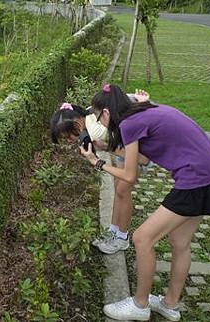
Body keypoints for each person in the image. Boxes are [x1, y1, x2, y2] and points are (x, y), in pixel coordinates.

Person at [82, 83, 210, 321]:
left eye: (98, 117)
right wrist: (105, 147)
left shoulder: (129, 123)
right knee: (180, 241)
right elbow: (143, 158)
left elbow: (131, 175)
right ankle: (170, 304)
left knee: (142, 238)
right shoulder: (144, 111)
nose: (100, 124)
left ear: (107, 112)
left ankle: (140, 305)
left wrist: (97, 162)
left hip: (196, 179)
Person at [51, 90, 152, 255]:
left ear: (77, 122)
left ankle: (121, 238)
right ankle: (112, 232)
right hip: (125, 146)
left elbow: (141, 157)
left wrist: (101, 154)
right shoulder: (90, 118)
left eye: (68, 136)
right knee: (119, 189)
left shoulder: (95, 126)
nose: (70, 140)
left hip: (141, 148)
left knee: (122, 190)